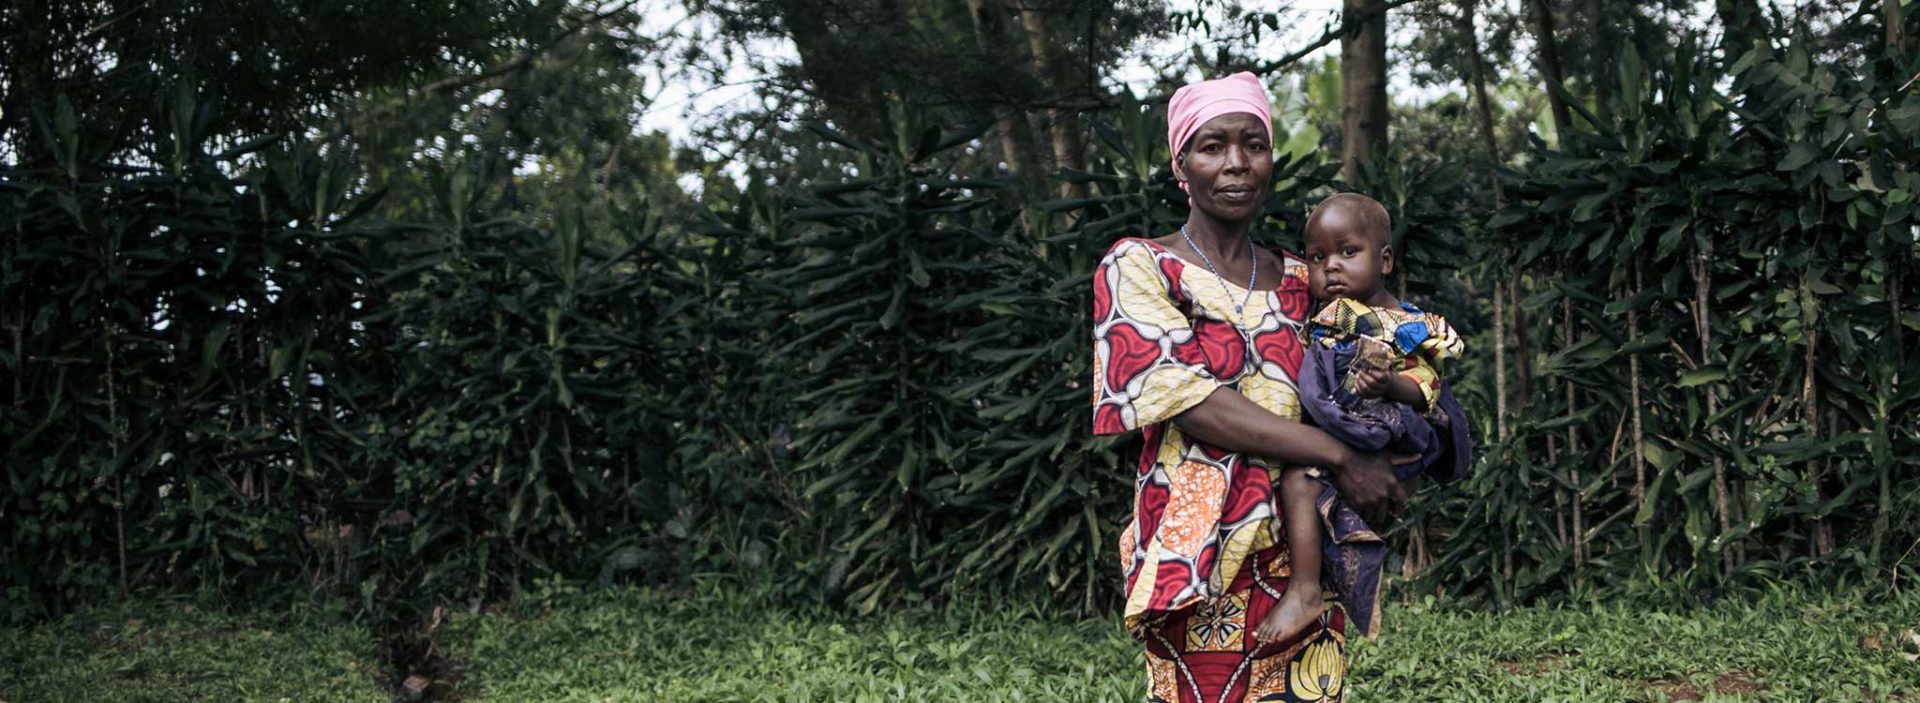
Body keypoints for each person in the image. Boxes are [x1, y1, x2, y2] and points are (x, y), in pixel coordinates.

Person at [1090, 71, 1403, 703]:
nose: (1236, 163)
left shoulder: (1306, 276)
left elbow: (1379, 345)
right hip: (1200, 542)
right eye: (1212, 147)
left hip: (1304, 541)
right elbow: (1191, 402)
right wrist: (1341, 455)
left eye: (1253, 145)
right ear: (1181, 164)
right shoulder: (1140, 265)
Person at [1257, 193, 1475, 643]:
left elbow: (1428, 387)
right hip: (1348, 436)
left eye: (1347, 252)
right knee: (1307, 486)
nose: (1331, 266)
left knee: (1301, 480)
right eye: (1317, 258)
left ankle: (1305, 590)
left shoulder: (1405, 324)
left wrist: (1390, 386)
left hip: (1394, 438)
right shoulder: (1330, 318)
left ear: (1386, 260)